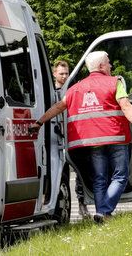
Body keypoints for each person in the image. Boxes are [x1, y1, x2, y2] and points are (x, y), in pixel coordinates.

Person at [33, 51, 132, 223]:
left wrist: (39, 122)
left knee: (99, 179)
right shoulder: (114, 83)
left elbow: (59, 106)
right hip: (115, 137)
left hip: (92, 142)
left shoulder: (75, 88)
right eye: (109, 63)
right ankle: (104, 211)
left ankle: (101, 215)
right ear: (101, 66)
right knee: (120, 176)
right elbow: (125, 106)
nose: (111, 66)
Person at [52, 60, 88, 220]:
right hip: (56, 138)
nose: (65, 76)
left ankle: (82, 204)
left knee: (80, 172)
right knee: (60, 174)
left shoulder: (73, 91)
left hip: (73, 136)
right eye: (61, 73)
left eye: (67, 73)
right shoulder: (50, 91)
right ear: (55, 74)